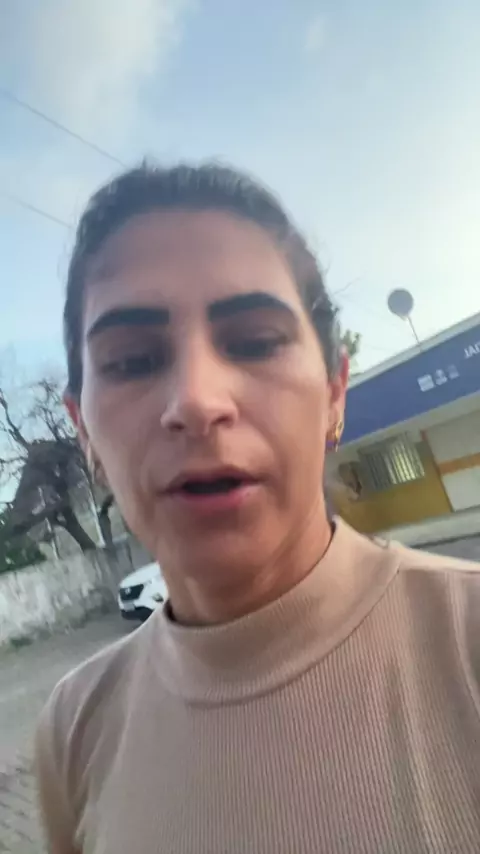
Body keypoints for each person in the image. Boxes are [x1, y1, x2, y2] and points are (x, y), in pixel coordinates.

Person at [35, 162, 480, 854]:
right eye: (132, 361)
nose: (197, 401)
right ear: (83, 429)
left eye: (253, 343)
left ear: (334, 392)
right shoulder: (74, 728)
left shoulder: (466, 642)